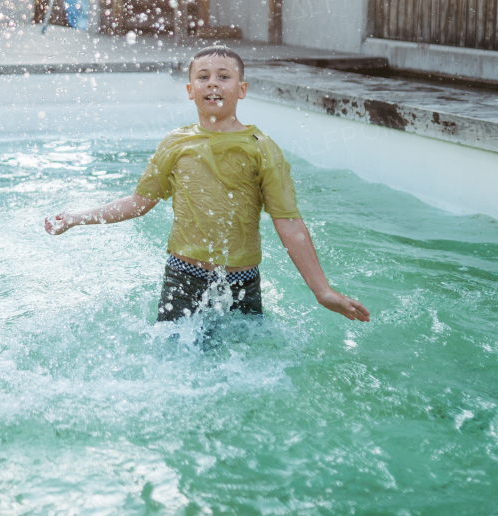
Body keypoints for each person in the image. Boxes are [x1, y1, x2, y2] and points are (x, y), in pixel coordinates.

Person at [44, 45, 371, 323]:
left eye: (224, 76)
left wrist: (321, 290)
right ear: (190, 90)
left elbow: (287, 221)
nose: (212, 83)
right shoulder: (175, 144)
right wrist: (76, 218)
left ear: (242, 89)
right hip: (183, 276)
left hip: (242, 280)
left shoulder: (261, 147)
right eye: (203, 77)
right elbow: (138, 203)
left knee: (245, 364)